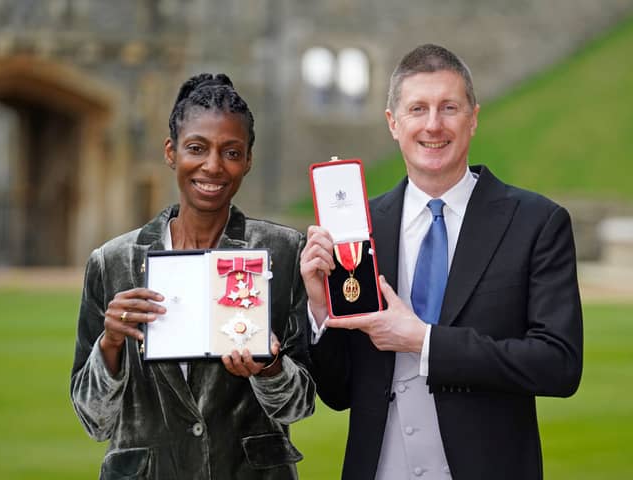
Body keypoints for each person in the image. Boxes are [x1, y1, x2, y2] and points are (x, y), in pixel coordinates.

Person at [300, 44, 583, 480]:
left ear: (473, 118)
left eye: (449, 107)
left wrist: (423, 341)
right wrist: (321, 309)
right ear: (394, 123)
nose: (433, 125)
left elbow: (559, 365)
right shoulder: (358, 227)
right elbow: (338, 393)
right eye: (417, 109)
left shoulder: (536, 223)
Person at [70, 73, 315, 479]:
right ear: (171, 151)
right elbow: (93, 419)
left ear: (249, 159)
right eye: (196, 149)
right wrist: (111, 344)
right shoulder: (111, 262)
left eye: (232, 152)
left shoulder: (284, 252)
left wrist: (269, 368)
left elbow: (299, 406)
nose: (213, 167)